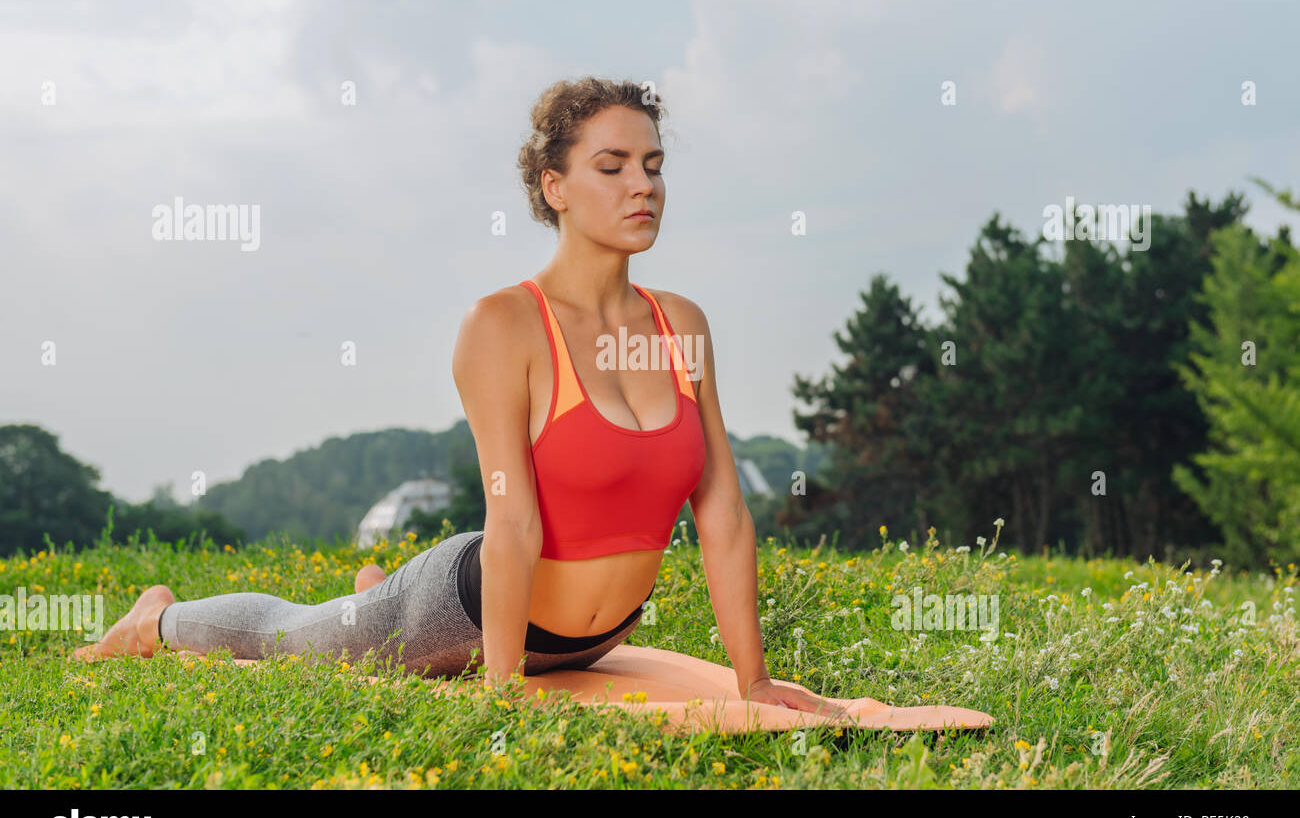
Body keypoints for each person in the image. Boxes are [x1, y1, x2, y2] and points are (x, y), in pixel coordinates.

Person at [71, 76, 842, 717]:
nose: (643, 184)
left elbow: (723, 511)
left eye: (654, 163)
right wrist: (502, 690)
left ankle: (369, 591)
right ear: (555, 186)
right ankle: (159, 619)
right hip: (464, 610)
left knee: (348, 618)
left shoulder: (681, 324)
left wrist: (755, 682)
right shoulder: (504, 325)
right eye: (612, 166)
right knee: (295, 635)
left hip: (597, 639)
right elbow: (512, 517)